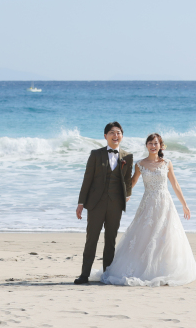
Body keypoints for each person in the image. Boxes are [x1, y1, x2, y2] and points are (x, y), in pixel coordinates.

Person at [100, 132, 196, 286]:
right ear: (146, 145)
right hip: (148, 204)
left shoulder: (167, 163)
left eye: (156, 143)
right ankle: (142, 268)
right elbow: (132, 182)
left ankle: (164, 269)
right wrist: (121, 196)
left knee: (166, 237)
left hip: (165, 204)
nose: (153, 146)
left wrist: (184, 205)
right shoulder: (140, 164)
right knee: (145, 237)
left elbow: (175, 185)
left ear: (161, 146)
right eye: (150, 143)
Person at [74, 122, 133, 285]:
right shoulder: (95, 154)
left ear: (122, 136)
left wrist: (127, 195)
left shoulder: (127, 156)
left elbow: (127, 180)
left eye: (119, 132)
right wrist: (81, 203)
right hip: (95, 204)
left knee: (110, 240)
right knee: (91, 239)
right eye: (112, 133)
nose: (116, 135)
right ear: (105, 136)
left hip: (116, 204)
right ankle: (84, 275)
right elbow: (87, 180)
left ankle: (107, 275)